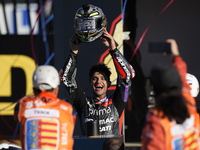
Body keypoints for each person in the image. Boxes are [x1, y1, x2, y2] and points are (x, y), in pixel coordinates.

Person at [60, 23, 135, 137]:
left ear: (109, 83)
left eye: (102, 79)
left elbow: (127, 76)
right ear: (90, 84)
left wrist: (113, 49)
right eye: (94, 79)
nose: (98, 82)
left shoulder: (118, 103)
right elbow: (67, 80)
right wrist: (74, 51)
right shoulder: (83, 104)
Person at [141, 39, 200, 150]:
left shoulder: (157, 119)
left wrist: (175, 56)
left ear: (156, 90)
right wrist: (176, 55)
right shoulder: (190, 103)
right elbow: (182, 76)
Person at [14, 65, 75, 150]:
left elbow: (16, 116)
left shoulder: (23, 104)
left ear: (34, 90)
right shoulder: (68, 109)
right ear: (56, 89)